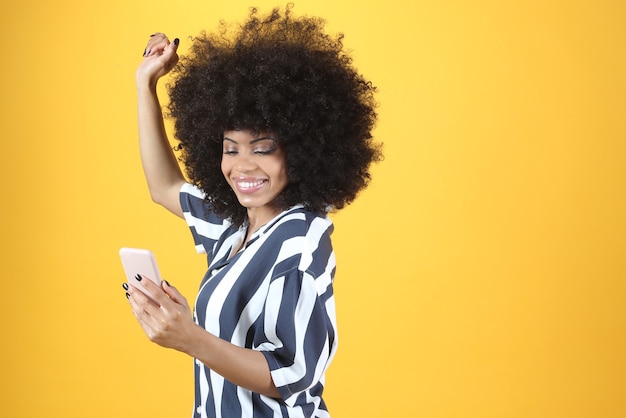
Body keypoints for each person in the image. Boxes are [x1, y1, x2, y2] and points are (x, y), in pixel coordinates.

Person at [122, 5, 382, 418]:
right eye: (230, 149)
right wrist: (144, 86)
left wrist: (188, 336)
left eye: (262, 149)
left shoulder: (301, 237)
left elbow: (292, 373)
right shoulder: (232, 225)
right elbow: (165, 187)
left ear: (298, 152)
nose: (243, 166)